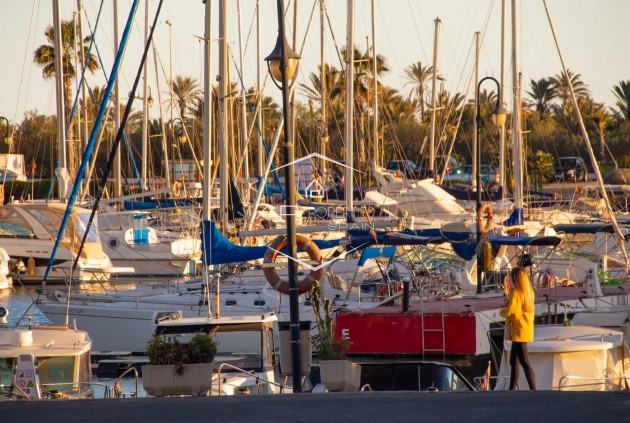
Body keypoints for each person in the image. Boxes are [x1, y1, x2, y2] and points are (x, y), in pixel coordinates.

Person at [500, 266, 536, 390]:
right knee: (513, 362)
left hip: (518, 331)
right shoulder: (528, 292)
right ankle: (511, 389)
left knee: (524, 362)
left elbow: (513, 312)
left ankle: (533, 389)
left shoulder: (516, 293)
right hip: (524, 329)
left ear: (515, 278)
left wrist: (502, 312)